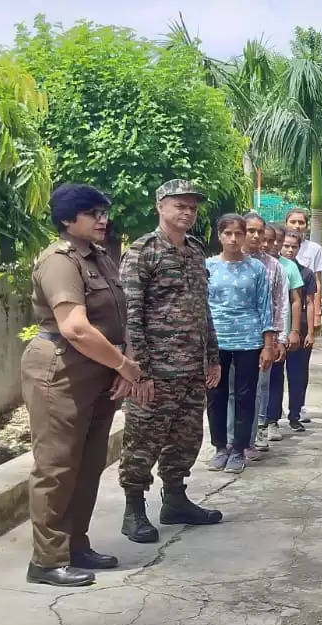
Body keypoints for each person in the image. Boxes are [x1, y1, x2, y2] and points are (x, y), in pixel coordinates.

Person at [22, 184, 138, 586]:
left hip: (97, 370)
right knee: (56, 466)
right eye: (92, 213)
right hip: (61, 370)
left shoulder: (100, 257)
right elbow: (74, 327)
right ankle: (46, 560)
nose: (102, 219)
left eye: (104, 212)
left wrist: (120, 367)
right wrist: (125, 366)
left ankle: (75, 545)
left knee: (88, 465)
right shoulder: (59, 260)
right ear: (68, 219)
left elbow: (117, 317)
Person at [117, 179, 223, 545]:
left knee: (187, 438)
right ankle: (134, 509)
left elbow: (202, 309)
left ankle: (175, 500)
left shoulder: (195, 251)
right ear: (160, 206)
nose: (187, 212)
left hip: (192, 369)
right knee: (142, 440)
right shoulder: (142, 252)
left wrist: (212, 356)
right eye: (180, 205)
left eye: (192, 206)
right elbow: (130, 315)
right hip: (155, 371)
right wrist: (139, 371)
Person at [206, 215, 275, 475]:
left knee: (246, 396)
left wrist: (268, 344)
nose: (233, 239)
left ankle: (239, 449)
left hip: (249, 339)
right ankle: (220, 447)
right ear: (220, 236)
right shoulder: (208, 266)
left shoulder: (255, 268)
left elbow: (264, 306)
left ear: (244, 235)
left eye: (238, 233)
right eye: (228, 234)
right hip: (216, 341)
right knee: (216, 394)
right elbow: (201, 306)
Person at [245, 215, 295, 451]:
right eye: (252, 233)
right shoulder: (226, 263)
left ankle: (258, 430)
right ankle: (231, 439)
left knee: (259, 388)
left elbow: (281, 305)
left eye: (265, 237)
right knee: (232, 390)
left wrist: (280, 338)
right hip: (233, 338)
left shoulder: (275, 268)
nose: (261, 241)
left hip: (265, 337)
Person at [285, 208, 322, 424]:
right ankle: (270, 415)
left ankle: (296, 408)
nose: (297, 225)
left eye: (301, 222)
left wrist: (315, 317)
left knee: (298, 370)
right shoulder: (274, 265)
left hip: (301, 319)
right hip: (279, 324)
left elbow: (315, 286)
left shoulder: (311, 257)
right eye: (293, 221)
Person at [280, 230, 319, 432]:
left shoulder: (306, 273)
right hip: (278, 328)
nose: (289, 250)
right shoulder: (273, 269)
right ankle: (271, 416)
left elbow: (310, 303)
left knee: (297, 374)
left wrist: (310, 332)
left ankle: (295, 414)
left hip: (300, 327)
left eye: (293, 246)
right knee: (275, 375)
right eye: (286, 245)